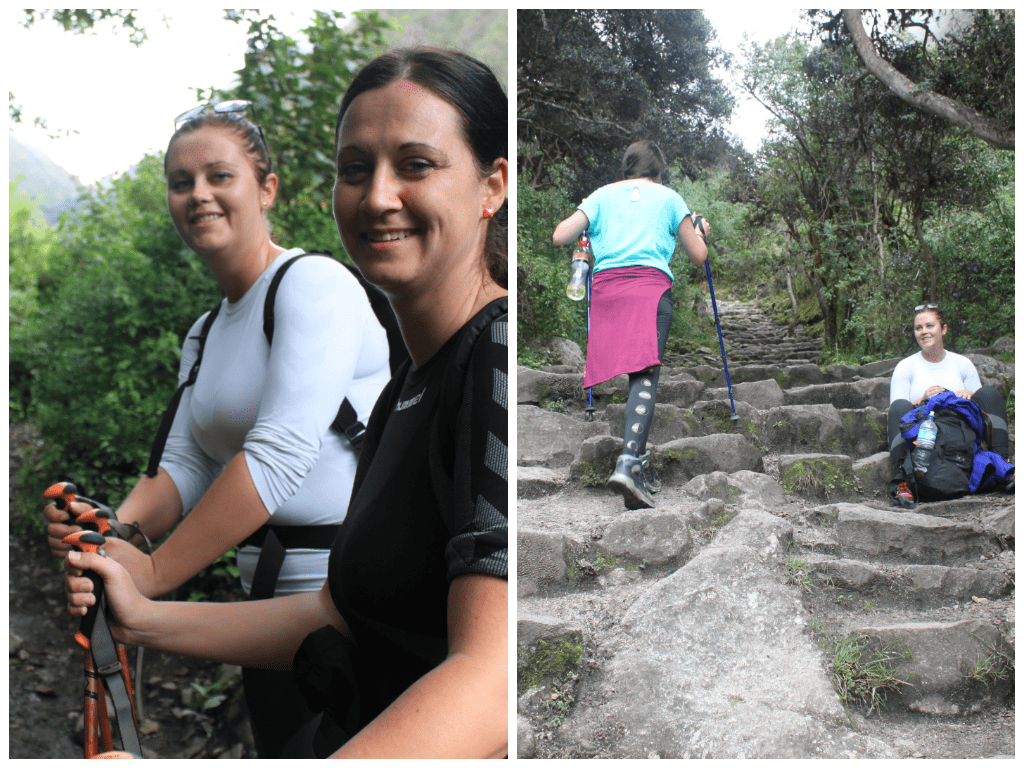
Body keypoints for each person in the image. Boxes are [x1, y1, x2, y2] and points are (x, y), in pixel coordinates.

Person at [64, 46, 508, 758]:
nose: (379, 196)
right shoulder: (406, 388)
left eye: (416, 164)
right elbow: (342, 616)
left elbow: (492, 681)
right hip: (314, 638)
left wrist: (153, 574)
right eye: (355, 169)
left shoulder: (493, 355)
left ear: (493, 185)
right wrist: (140, 610)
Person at [43, 101, 392, 757]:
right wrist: (108, 533)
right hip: (258, 615)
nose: (198, 194)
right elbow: (184, 467)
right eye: (182, 182)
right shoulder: (205, 333)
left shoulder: (312, 284)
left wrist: (149, 575)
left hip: (348, 603)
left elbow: (280, 455)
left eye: (218, 176)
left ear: (266, 189)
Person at [552, 140, 709, 509]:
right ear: (659, 170)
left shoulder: (602, 196)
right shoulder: (670, 198)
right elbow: (698, 256)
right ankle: (628, 463)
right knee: (644, 376)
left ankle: (635, 465)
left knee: (634, 374)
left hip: (608, 292)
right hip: (650, 290)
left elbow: (561, 235)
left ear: (627, 168)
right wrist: (700, 228)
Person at [887, 304, 1011, 507]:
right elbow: (898, 409)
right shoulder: (905, 367)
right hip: (925, 435)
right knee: (900, 407)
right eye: (919, 328)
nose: (924, 331)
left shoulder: (962, 363)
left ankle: (1001, 466)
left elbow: (980, 405)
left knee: (989, 394)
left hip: (961, 433)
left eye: (930, 325)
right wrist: (923, 398)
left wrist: (969, 395)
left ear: (943, 329)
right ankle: (902, 480)